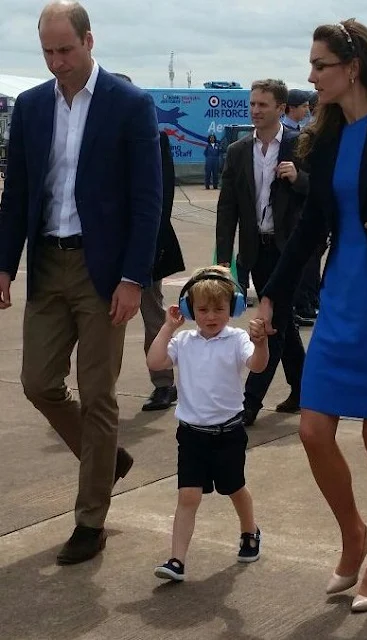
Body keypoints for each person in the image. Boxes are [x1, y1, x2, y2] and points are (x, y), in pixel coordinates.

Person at [255, 20, 367, 612]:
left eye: (320, 65)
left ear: (351, 68)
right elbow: (311, 227)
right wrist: (272, 296)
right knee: (312, 431)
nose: (311, 77)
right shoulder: (327, 134)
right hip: (339, 301)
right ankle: (353, 534)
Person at [0, 1, 162, 564]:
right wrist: (4, 263)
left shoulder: (130, 105)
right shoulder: (30, 106)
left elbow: (148, 200)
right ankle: (107, 457)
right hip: (48, 264)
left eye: (65, 50)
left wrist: (132, 278)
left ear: (90, 41)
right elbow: (17, 190)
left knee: (98, 394)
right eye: (47, 51)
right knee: (37, 383)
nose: (56, 62)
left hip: (103, 273)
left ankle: (90, 517)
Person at [147, 266, 268, 581]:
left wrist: (262, 343)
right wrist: (166, 329)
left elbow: (257, 365)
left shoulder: (237, 339)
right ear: (189, 310)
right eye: (202, 309)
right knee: (188, 496)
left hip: (228, 433)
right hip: (191, 435)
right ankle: (176, 560)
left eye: (219, 309)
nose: (211, 316)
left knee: (234, 488)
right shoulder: (184, 341)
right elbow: (155, 362)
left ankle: (250, 530)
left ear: (235, 308)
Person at [216, 79, 308, 427]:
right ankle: (303, 389)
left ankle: (250, 401)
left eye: (263, 105)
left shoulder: (301, 146)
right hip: (256, 251)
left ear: (281, 108)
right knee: (283, 323)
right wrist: (223, 257)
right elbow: (227, 208)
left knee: (272, 323)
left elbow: (322, 192)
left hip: (291, 250)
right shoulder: (238, 151)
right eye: (252, 104)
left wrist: (299, 178)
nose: (255, 111)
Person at [141, 129, 186, 411]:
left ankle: (163, 384)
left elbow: (163, 193)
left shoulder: (154, 138)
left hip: (144, 244)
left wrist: (153, 245)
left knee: (152, 314)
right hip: (103, 246)